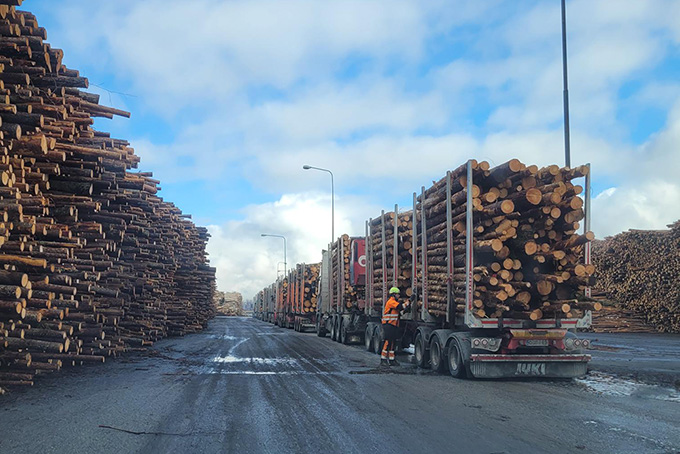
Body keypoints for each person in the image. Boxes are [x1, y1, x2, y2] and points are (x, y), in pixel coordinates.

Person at [380, 287, 410, 367]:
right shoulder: (391, 302)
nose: (399, 296)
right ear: (393, 294)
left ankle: (391, 359)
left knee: (393, 342)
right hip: (388, 325)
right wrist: (409, 301)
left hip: (393, 325)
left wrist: (405, 311)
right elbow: (400, 307)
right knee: (387, 342)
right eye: (397, 294)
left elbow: (398, 313)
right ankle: (383, 359)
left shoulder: (393, 302)